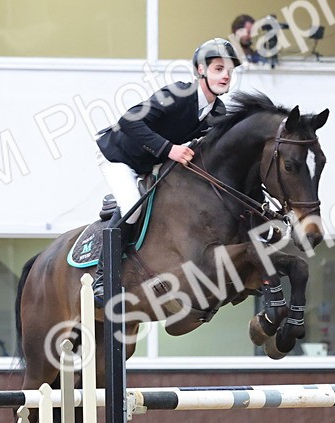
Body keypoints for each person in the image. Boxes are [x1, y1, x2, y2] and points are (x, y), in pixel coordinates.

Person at [91, 37, 241, 301]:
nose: (226, 75)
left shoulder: (219, 113)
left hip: (151, 162)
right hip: (119, 156)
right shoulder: (177, 93)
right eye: (219, 69)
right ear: (201, 70)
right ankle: (103, 278)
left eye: (230, 71)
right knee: (132, 207)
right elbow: (129, 121)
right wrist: (170, 149)